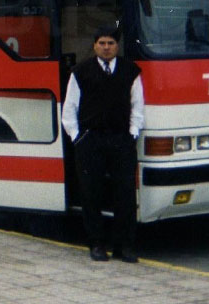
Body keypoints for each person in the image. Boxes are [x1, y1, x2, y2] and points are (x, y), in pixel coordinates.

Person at [62, 25, 144, 263]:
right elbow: (69, 108)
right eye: (102, 43)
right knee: (91, 193)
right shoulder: (80, 72)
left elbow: (137, 105)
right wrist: (77, 137)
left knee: (125, 195)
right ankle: (97, 244)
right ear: (94, 45)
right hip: (91, 140)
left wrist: (132, 133)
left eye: (111, 43)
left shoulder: (131, 71)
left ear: (117, 46)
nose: (106, 48)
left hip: (121, 140)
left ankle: (124, 247)